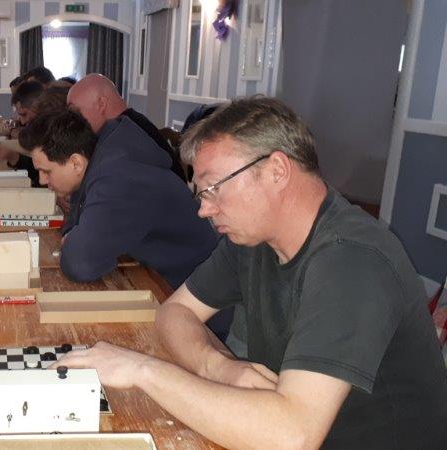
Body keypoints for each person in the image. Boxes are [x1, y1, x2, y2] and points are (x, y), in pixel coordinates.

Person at [59, 97, 447, 449]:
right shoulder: (255, 239)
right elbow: (174, 313)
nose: (203, 210)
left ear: (276, 170)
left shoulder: (353, 260)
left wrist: (142, 370)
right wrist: (219, 367)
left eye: (213, 188)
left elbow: (291, 435)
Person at [19, 109, 217, 291]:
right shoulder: (98, 164)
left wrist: (77, 241)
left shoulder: (119, 178)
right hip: (164, 281)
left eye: (46, 171)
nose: (42, 180)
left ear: (75, 163)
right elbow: (74, 224)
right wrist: (78, 238)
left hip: (200, 298)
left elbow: (80, 263)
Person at [67, 74, 186, 181]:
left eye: (75, 112)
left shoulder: (124, 136)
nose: (72, 120)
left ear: (101, 104)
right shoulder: (130, 125)